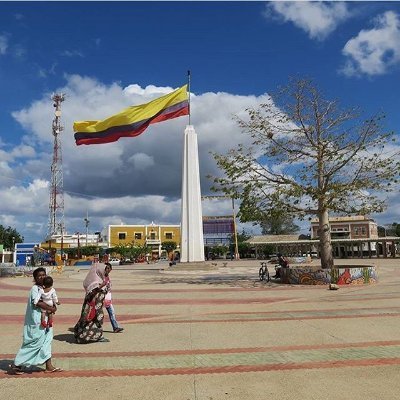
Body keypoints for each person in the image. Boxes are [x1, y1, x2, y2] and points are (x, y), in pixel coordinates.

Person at [9, 267, 62, 374]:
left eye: (44, 275)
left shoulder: (47, 288)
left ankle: (49, 366)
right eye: (39, 276)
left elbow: (52, 299)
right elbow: (37, 302)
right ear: (35, 278)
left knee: (47, 342)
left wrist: (54, 306)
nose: (42, 277)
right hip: (37, 321)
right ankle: (17, 364)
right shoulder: (35, 289)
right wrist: (51, 308)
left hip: (47, 320)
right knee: (35, 343)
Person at [73, 262, 109, 343]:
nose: (106, 272)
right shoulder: (96, 282)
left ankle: (80, 335)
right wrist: (101, 286)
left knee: (88, 320)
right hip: (94, 308)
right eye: (105, 270)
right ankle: (88, 337)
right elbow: (93, 293)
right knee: (93, 320)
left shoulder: (98, 279)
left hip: (94, 307)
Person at [103, 263, 124, 333]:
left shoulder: (107, 276)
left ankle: (115, 327)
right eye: (106, 268)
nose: (108, 270)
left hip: (108, 299)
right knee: (109, 313)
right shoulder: (102, 277)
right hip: (103, 299)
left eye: (109, 268)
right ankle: (115, 327)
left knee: (112, 313)